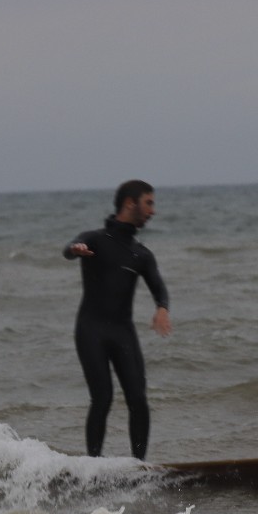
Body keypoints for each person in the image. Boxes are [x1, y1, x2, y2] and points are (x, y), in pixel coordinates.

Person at [63, 179, 172, 459]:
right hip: (91, 331)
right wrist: (75, 250)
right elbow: (69, 248)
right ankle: (92, 466)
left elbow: (159, 287)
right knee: (102, 398)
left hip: (123, 332)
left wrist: (162, 307)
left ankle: (139, 466)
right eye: (148, 203)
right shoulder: (95, 239)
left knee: (138, 399)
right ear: (130, 203)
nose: (153, 211)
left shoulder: (141, 254)